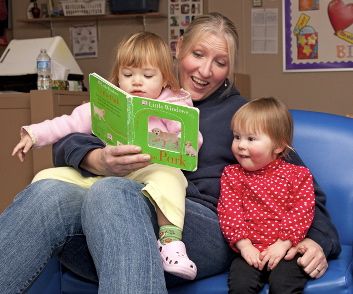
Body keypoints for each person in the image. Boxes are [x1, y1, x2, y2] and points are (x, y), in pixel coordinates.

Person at [0, 12, 340, 294]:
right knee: (48, 191)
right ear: (178, 50)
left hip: (201, 231)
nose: (206, 71)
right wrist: (97, 160)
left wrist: (316, 241)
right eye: (198, 55)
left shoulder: (243, 117)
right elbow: (69, 137)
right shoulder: (136, 96)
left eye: (220, 62)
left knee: (113, 191)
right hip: (111, 226)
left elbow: (302, 184)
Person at [11, 31, 202, 280]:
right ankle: (28, 224)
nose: (137, 82)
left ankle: (170, 242)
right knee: (47, 176)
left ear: (165, 79)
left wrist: (181, 140)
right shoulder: (107, 103)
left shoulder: (173, 105)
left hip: (148, 171)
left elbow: (192, 139)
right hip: (107, 172)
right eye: (128, 74)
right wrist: (33, 135)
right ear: (117, 76)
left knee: (171, 177)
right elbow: (68, 124)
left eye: (147, 75)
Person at [217, 97, 316, 293]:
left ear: (279, 146)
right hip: (249, 251)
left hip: (286, 251)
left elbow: (302, 211)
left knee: (283, 285)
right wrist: (244, 246)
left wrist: (283, 243)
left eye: (251, 139)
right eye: (237, 137)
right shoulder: (232, 174)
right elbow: (230, 211)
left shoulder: (298, 175)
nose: (241, 145)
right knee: (240, 286)